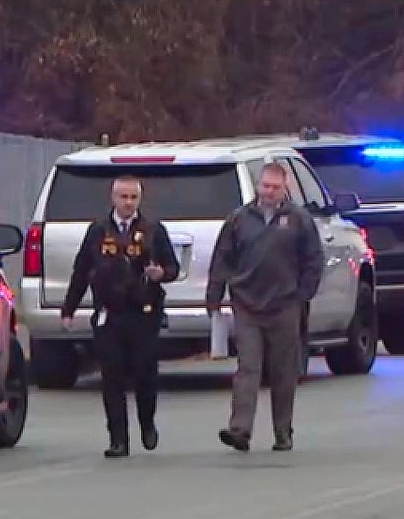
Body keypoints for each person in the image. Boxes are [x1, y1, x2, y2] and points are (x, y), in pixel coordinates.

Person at [205, 160, 324, 452]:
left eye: (275, 187)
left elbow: (313, 260)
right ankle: (240, 430)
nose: (269, 192)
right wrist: (215, 295)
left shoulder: (299, 220)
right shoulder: (239, 219)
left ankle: (283, 431)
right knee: (248, 368)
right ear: (258, 186)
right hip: (247, 304)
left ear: (285, 188)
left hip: (285, 305)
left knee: (284, 371)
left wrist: (303, 294)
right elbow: (223, 259)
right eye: (265, 186)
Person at [60, 174, 181, 458]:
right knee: (111, 377)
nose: (128, 203)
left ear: (140, 200)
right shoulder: (97, 232)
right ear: (113, 198)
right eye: (123, 197)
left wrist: (160, 274)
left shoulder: (154, 231)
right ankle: (118, 439)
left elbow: (172, 268)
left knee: (144, 373)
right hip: (109, 314)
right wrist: (69, 309)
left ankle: (147, 422)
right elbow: (80, 272)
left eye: (133, 198)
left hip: (143, 314)